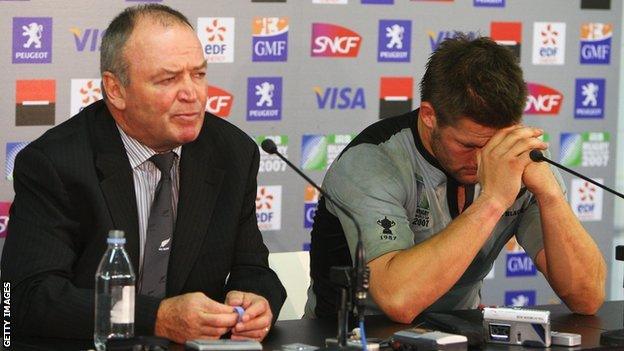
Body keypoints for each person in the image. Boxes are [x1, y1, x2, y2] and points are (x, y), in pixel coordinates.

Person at [1, 4, 285, 343]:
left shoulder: (232, 153)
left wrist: (255, 300)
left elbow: (252, 267)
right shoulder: (56, 163)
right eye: (168, 79)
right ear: (116, 90)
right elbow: (27, 297)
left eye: (199, 74)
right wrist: (156, 317)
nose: (192, 94)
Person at [305, 35, 606, 322]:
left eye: (495, 144)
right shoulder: (371, 161)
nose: (484, 159)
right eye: (468, 145)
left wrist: (550, 195)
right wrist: (493, 200)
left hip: (458, 334)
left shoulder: (516, 156)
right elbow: (399, 300)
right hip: (355, 336)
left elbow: (587, 297)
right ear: (429, 115)